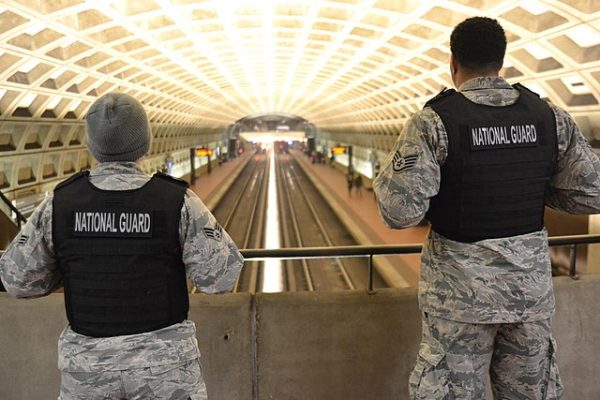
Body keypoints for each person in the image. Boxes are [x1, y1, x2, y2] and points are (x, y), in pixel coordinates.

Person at [373, 17, 600, 400]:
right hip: (529, 299)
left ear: (453, 63)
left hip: (460, 301)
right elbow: (591, 193)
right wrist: (535, 187)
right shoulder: (549, 117)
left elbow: (399, 213)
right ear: (501, 60)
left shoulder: (434, 122)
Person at [0, 93, 244, 400]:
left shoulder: (59, 204)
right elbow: (221, 278)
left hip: (88, 372)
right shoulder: (176, 201)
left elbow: (16, 280)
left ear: (91, 146)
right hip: (166, 371)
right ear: (145, 144)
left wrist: (65, 268)